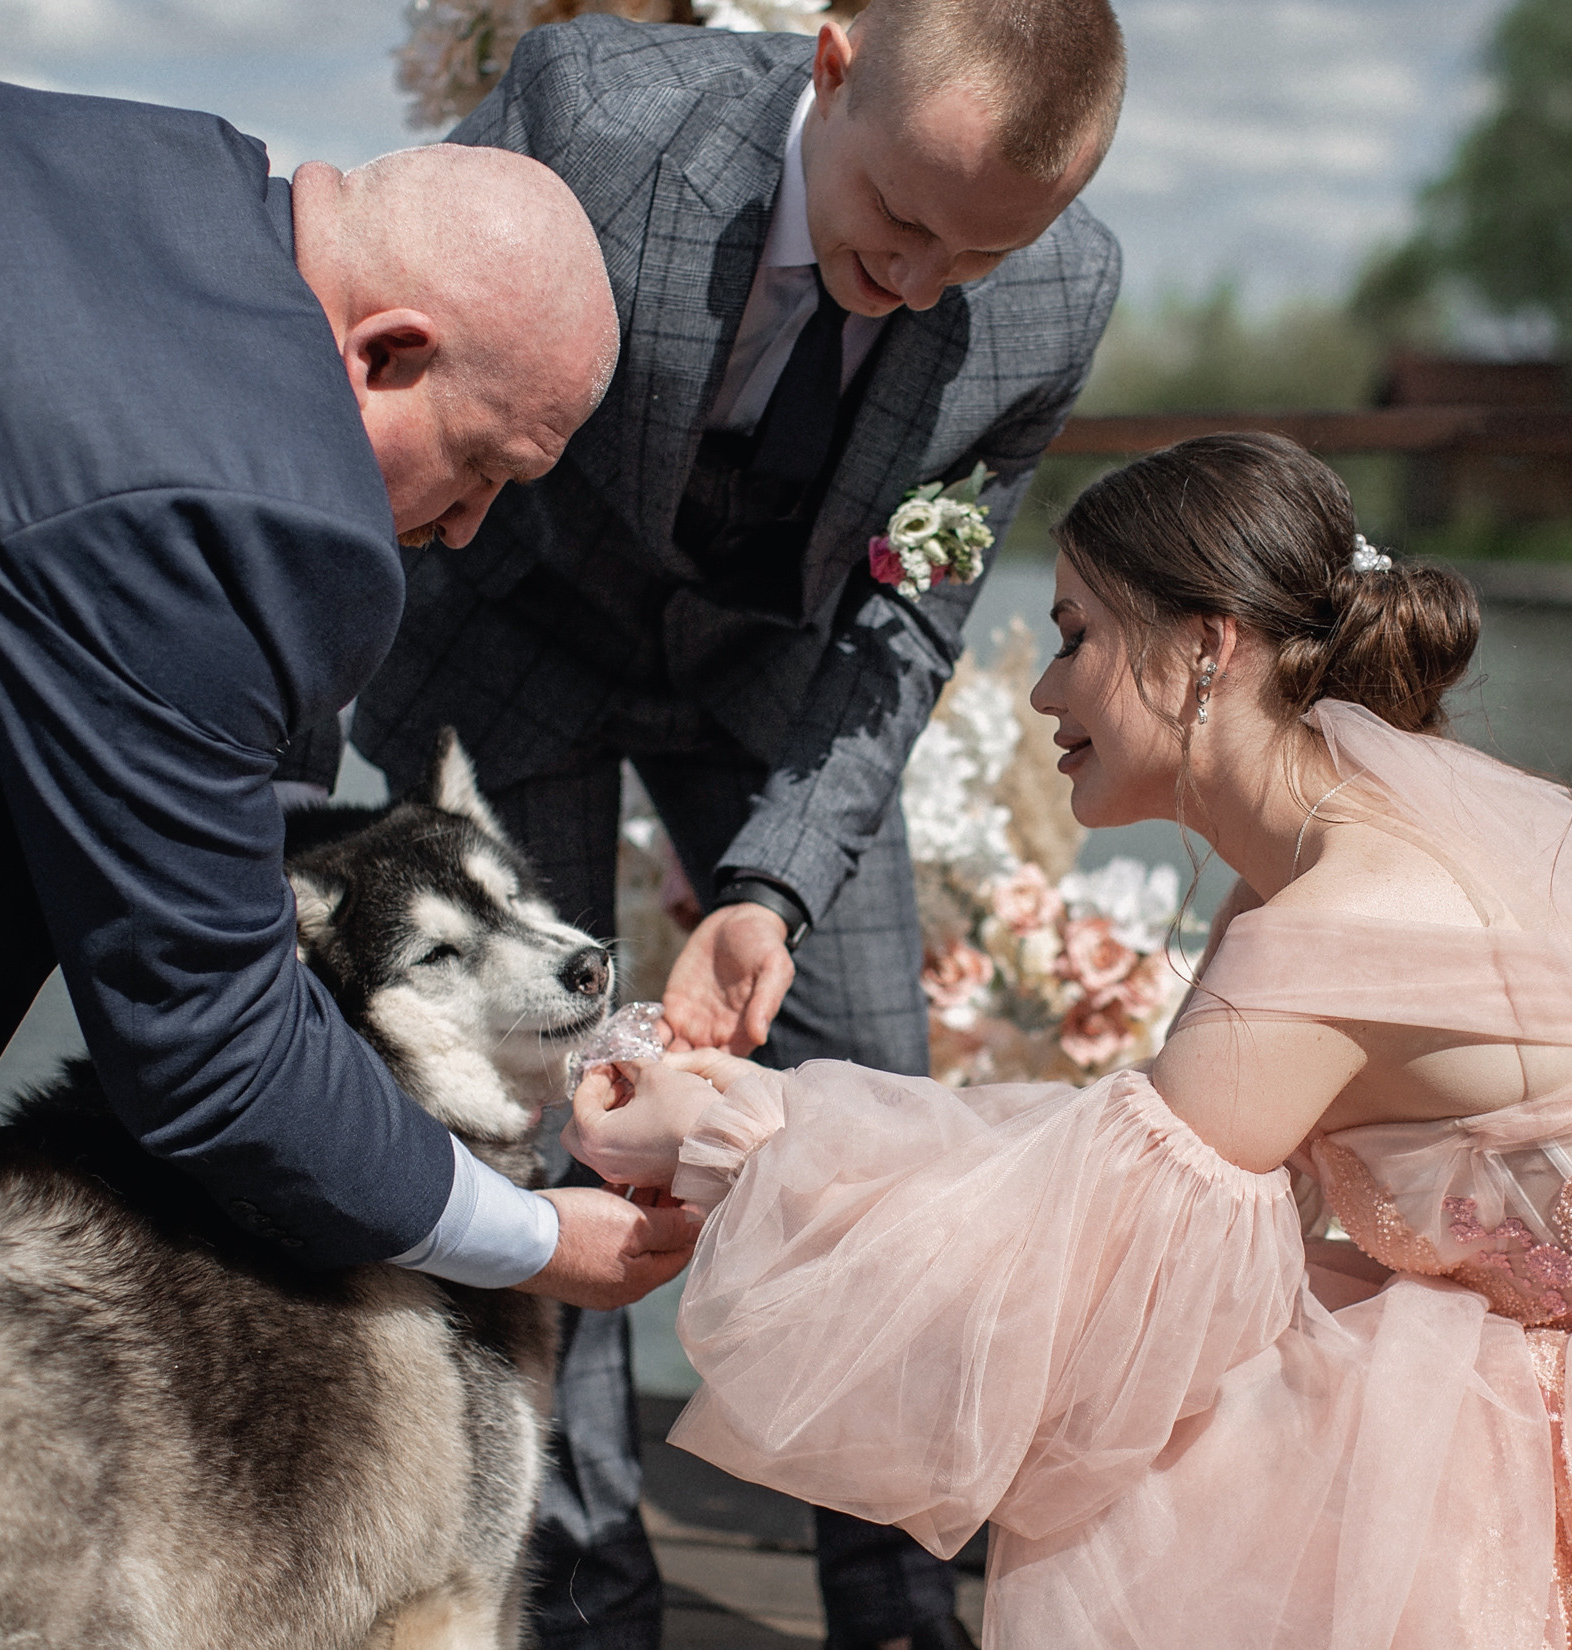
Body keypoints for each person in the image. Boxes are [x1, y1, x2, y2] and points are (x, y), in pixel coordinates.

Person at [569, 432, 1572, 1646]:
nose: (1048, 686)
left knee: (1147, 1479)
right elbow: (1127, 1172)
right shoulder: (1366, 840)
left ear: (1206, 648)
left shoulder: (1326, 930)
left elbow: (1071, 1266)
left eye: (1074, 633)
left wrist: (732, 1137)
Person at [0, 53, 697, 1481]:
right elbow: (206, 1041)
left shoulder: (179, 183)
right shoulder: (259, 503)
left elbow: (175, 749)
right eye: (484, 467)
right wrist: (534, 1236)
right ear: (389, 352)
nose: (467, 530)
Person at [335, 5, 1125, 1644]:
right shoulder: (590, 118)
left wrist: (769, 885)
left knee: (880, 1121)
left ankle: (897, 1604)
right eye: (896, 218)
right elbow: (376, 392)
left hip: (778, 684)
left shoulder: (1057, 291)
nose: (920, 282)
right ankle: (591, 1599)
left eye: (973, 256)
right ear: (830, 68)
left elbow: (914, 609)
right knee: (536, 1112)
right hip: (501, 632)